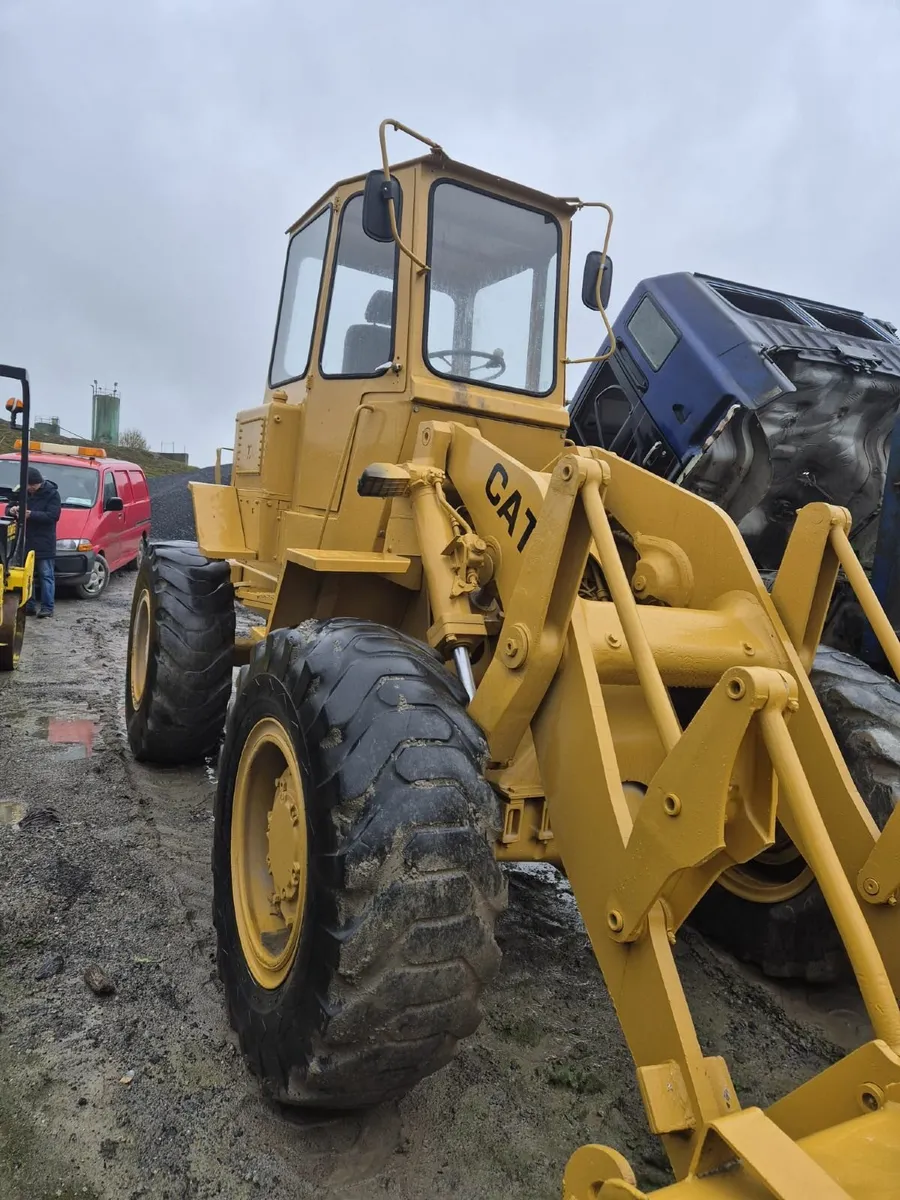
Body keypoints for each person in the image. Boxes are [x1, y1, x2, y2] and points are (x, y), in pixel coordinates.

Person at [6, 467, 61, 617]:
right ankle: (28, 605)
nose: (30, 489)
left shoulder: (52, 494)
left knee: (46, 575)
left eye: (33, 486)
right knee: (25, 574)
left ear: (39, 483)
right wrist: (12, 510)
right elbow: (8, 506)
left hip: (44, 541)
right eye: (28, 485)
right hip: (24, 540)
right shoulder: (21, 491)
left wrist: (31, 515)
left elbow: (53, 516)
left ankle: (47, 608)